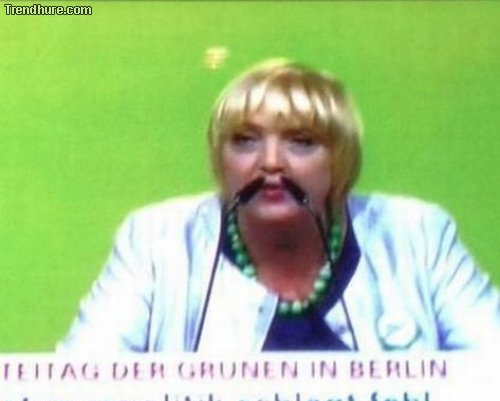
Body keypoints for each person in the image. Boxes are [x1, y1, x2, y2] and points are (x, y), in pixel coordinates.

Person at [59, 60, 500, 353]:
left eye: (301, 142)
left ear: (341, 158)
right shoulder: (157, 240)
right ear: (220, 158)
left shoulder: (417, 235)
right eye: (245, 141)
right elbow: (76, 391)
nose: (270, 162)